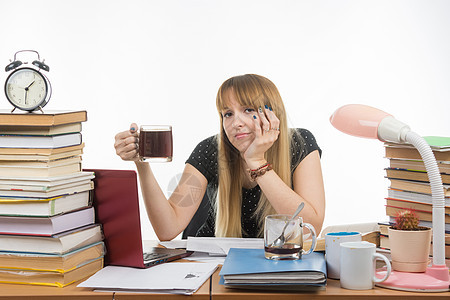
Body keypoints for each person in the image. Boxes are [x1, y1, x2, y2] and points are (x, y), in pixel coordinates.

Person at [114, 74, 325, 241]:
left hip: (275, 263)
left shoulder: (300, 143)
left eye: (248, 109)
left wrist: (256, 162)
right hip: (214, 269)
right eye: (228, 114)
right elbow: (167, 229)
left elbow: (311, 228)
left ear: (271, 113)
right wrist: (141, 164)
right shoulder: (209, 150)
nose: (236, 123)